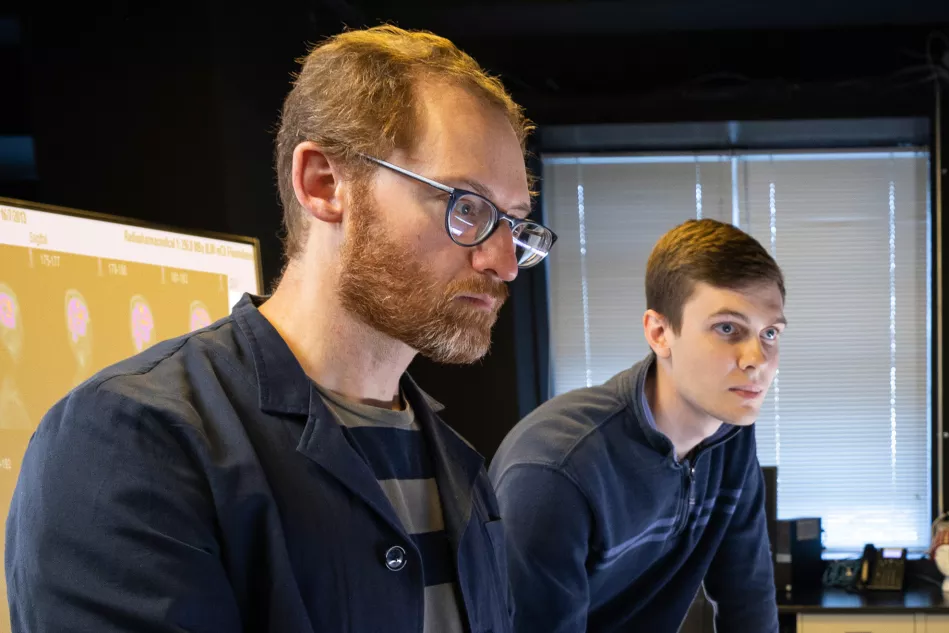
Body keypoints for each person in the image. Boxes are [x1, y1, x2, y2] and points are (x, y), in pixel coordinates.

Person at [6, 25, 552, 633]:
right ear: (324, 184)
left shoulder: (459, 467)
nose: (504, 263)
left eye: (515, 225)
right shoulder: (136, 441)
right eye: (467, 207)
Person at [492, 219, 783, 633]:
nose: (757, 359)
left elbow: (748, 597)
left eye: (769, 332)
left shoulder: (729, 433)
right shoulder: (556, 469)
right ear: (660, 333)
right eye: (727, 328)